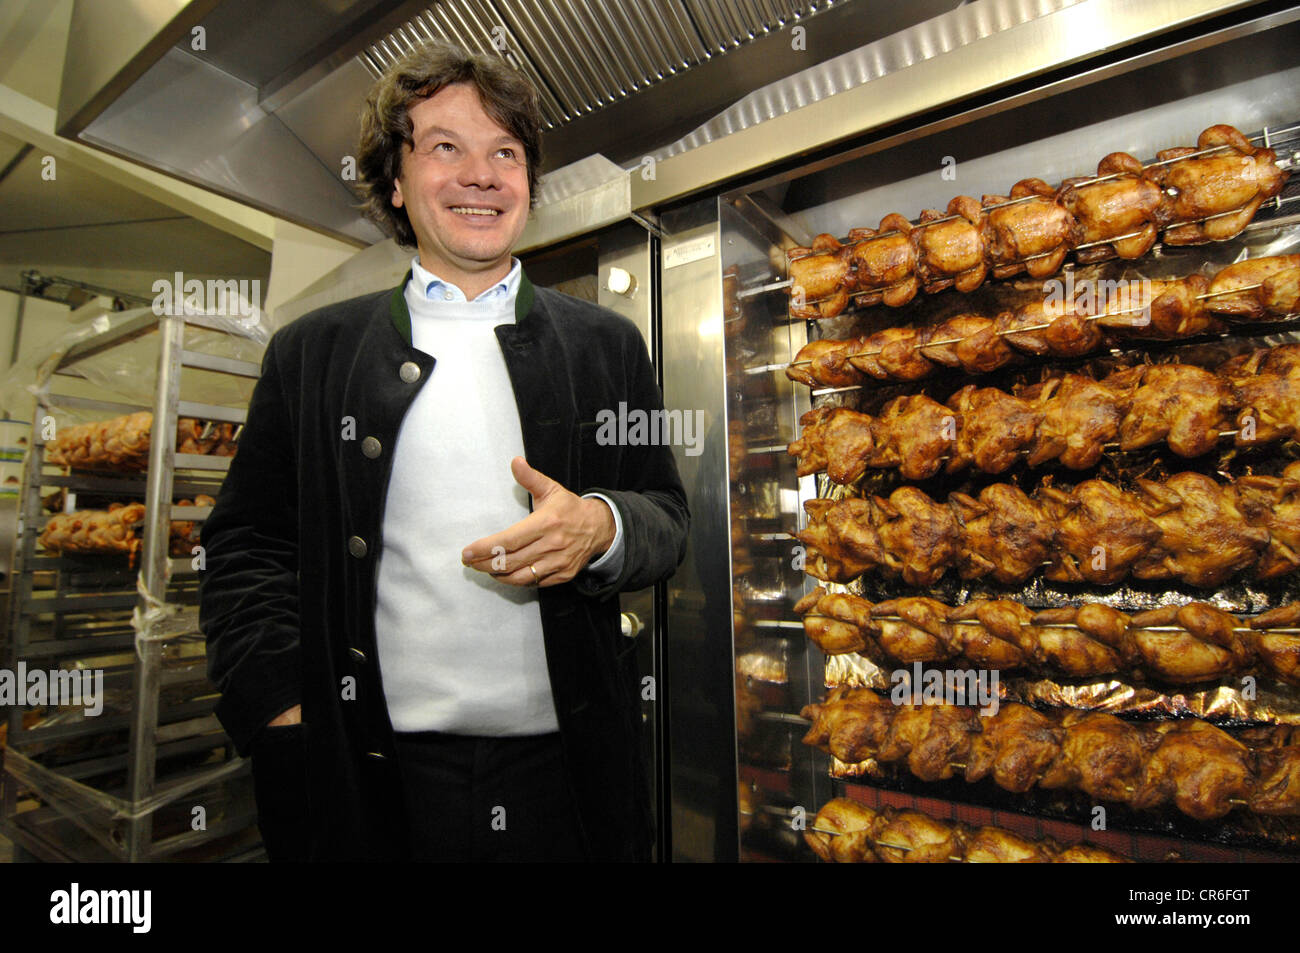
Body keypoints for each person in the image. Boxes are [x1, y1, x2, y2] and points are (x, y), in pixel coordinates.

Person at [198, 41, 689, 862]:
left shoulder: (607, 344)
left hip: (564, 777)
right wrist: (280, 706)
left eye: (506, 152)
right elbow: (246, 544)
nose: (482, 174)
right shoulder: (313, 353)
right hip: (372, 777)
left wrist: (601, 528)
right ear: (396, 181)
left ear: (529, 180)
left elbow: (667, 517)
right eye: (446, 148)